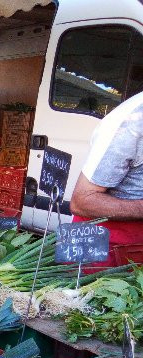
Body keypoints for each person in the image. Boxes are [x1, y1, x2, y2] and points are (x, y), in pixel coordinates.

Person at [69, 90, 143, 267]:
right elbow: (81, 201)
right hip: (102, 250)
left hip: (135, 249)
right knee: (81, 293)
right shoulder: (131, 124)